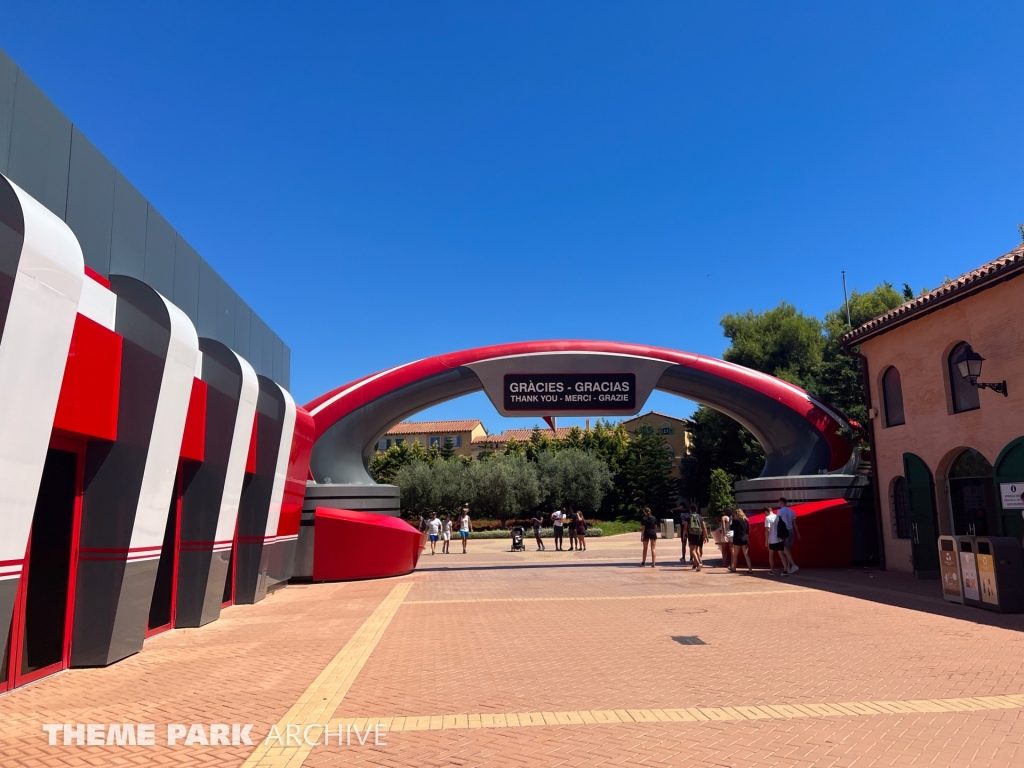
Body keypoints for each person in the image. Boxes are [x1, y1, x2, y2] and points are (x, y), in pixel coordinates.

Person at [776, 497, 800, 575]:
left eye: (779, 503)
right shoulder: (792, 511)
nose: (779, 504)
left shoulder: (779, 511)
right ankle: (789, 567)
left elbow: (778, 522)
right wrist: (798, 534)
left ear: (782, 503)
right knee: (788, 549)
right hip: (791, 530)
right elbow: (795, 524)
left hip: (784, 531)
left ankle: (792, 565)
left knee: (784, 549)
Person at [682, 504, 707, 571]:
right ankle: (698, 563)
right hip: (699, 534)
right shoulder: (700, 517)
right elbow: (704, 527)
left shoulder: (688, 517)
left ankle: (698, 564)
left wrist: (684, 535)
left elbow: (685, 527)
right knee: (697, 549)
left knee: (692, 550)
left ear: (690, 509)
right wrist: (705, 536)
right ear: (696, 509)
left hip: (691, 534)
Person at [729, 509, 751, 573]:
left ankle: (734, 568)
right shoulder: (746, 520)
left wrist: (731, 520)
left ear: (736, 514)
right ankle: (750, 569)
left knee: (735, 555)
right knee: (746, 554)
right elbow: (747, 530)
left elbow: (731, 528)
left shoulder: (735, 521)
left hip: (737, 539)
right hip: (745, 538)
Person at [764, 506, 783, 575]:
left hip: (771, 539)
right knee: (781, 554)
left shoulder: (767, 518)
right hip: (779, 538)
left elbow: (767, 530)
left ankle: (772, 570)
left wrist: (766, 541)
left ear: (766, 512)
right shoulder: (777, 516)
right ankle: (786, 570)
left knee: (771, 555)